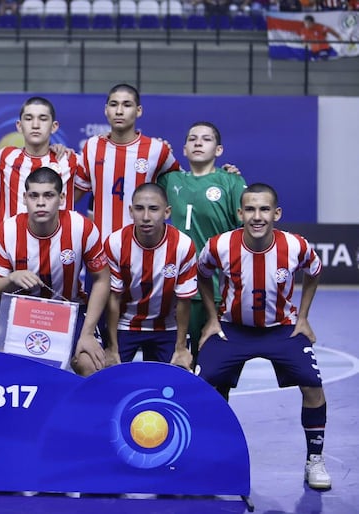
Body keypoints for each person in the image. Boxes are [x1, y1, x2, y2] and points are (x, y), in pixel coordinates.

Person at [195, 183, 330, 490]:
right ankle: (203, 456)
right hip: (232, 329)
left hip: (282, 329)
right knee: (200, 385)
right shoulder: (220, 245)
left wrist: (304, 317)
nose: (258, 216)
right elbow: (202, 274)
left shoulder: (295, 246)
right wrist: (212, 319)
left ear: (276, 213)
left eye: (265, 209)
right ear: (240, 213)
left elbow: (315, 271)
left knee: (314, 386)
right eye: (251, 209)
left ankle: (315, 460)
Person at [0, 167, 110, 376]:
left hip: (70, 310)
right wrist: (11, 278)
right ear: (24, 198)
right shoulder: (6, 232)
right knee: (4, 372)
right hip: (20, 315)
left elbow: (102, 280)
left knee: (92, 365)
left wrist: (87, 333)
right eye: (34, 196)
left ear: (61, 198)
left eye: (49, 195)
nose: (41, 202)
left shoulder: (82, 227)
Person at [158, 121, 246, 361]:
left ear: (218, 150)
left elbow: (245, 233)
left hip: (217, 291)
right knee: (177, 364)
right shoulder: (168, 180)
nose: (198, 142)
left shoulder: (231, 182)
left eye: (206, 139)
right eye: (192, 138)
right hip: (175, 291)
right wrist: (159, 153)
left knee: (215, 366)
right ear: (184, 149)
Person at [103, 183, 197, 368]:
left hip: (167, 327)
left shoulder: (183, 245)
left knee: (180, 377)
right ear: (130, 211)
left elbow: (184, 302)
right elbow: (113, 299)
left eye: (153, 209)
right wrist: (112, 348)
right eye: (139, 209)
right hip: (125, 324)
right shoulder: (115, 243)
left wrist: (180, 348)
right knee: (106, 376)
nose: (146, 217)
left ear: (167, 212)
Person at [76, 83, 181, 242]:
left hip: (145, 246)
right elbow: (72, 195)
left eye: (127, 105)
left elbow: (183, 188)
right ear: (106, 110)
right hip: (102, 249)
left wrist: (227, 176)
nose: (119, 111)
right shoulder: (92, 146)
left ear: (138, 111)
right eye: (113, 105)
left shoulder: (157, 149)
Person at [0, 96, 85, 225]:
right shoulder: (4, 157)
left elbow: (91, 183)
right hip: (12, 243)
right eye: (29, 119)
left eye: (43, 119)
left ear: (54, 126)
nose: (35, 125)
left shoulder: (68, 159)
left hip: (57, 243)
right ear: (19, 126)